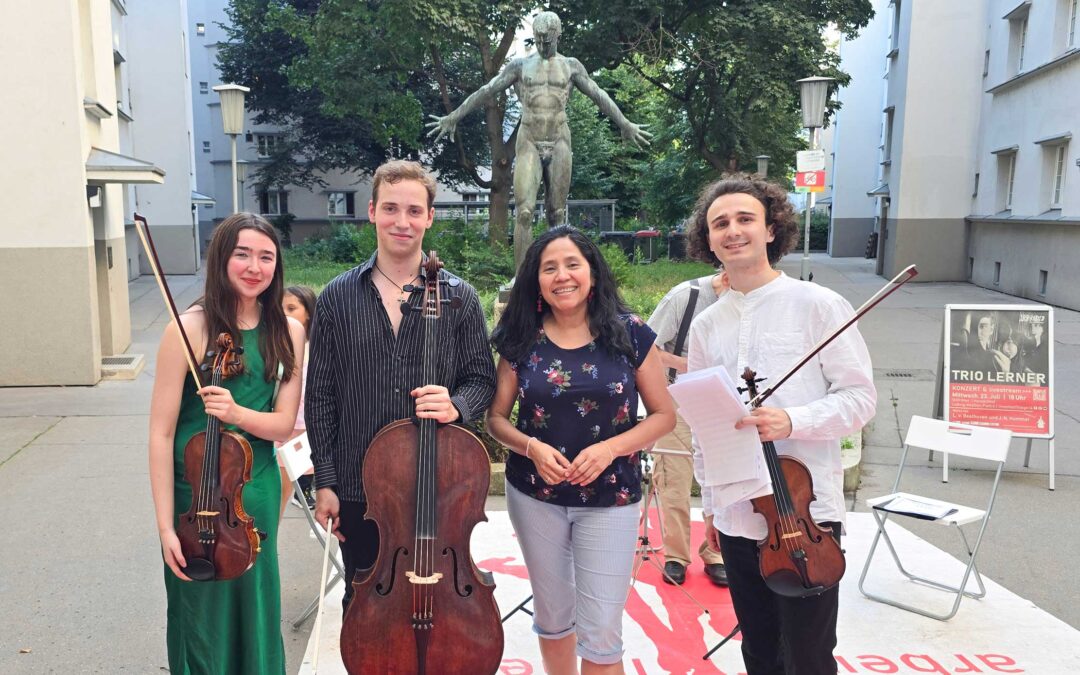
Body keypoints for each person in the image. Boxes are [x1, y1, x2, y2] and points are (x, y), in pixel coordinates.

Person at [685, 176, 876, 675]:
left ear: (772, 229)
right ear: (708, 240)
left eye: (745, 219)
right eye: (719, 223)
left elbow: (860, 399)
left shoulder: (820, 305)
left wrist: (793, 419)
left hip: (807, 513)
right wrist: (709, 503)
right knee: (760, 650)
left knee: (810, 655)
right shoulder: (707, 326)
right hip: (737, 514)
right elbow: (707, 425)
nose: (733, 231)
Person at [305, 160, 497, 615]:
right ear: (371, 211)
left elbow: (482, 380)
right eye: (391, 208)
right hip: (357, 489)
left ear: (430, 217)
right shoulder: (337, 296)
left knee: (441, 605)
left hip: (439, 488)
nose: (402, 221)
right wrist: (325, 483)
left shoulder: (459, 297)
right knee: (368, 608)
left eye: (414, 210)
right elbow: (321, 398)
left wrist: (457, 404)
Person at [487, 225, 676, 674]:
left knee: (602, 633)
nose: (562, 276)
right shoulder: (520, 338)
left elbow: (663, 415)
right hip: (535, 497)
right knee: (553, 619)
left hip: (611, 498)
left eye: (573, 264)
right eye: (549, 268)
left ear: (592, 272)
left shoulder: (631, 333)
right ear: (536, 280)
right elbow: (495, 419)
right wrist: (530, 447)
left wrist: (610, 449)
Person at [148, 212, 306, 674]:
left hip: (252, 491)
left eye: (266, 257)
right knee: (198, 616)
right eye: (242, 255)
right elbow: (160, 433)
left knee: (255, 611)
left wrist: (236, 414)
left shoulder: (289, 331)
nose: (254, 266)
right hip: (192, 497)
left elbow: (282, 425)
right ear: (221, 258)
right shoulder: (187, 328)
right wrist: (163, 529)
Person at [427, 11, 651, 266]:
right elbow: (488, 89)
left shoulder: (571, 65)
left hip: (559, 140)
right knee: (524, 212)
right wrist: (453, 116)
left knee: (557, 214)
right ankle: (521, 280)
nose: (543, 44)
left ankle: (556, 272)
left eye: (548, 39)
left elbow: (597, 93)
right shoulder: (520, 66)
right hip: (529, 141)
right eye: (539, 39)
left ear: (559, 35)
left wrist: (624, 123)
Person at [646, 271, 730, 587]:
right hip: (676, 393)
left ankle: (717, 553)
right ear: (724, 277)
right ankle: (676, 556)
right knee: (673, 477)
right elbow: (644, 348)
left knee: (722, 478)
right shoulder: (685, 296)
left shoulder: (752, 300)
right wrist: (694, 366)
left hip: (722, 399)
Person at [278, 285, 318, 516]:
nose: (284, 313)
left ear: (308, 313)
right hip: (284, 424)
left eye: (291, 308)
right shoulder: (277, 344)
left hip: (306, 424)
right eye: (281, 308)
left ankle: (304, 491)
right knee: (279, 491)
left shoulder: (316, 347)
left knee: (307, 469)